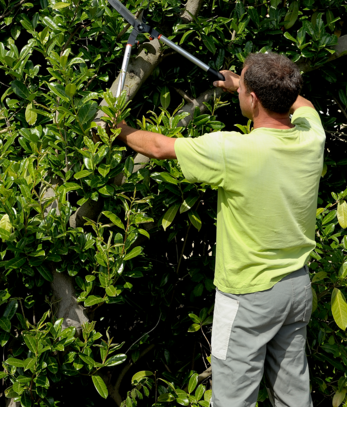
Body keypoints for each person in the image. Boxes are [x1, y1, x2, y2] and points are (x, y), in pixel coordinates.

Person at [113, 52, 325, 407]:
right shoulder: (312, 136)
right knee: (293, 398)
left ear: (253, 99)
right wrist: (244, 84)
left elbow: (159, 146)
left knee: (231, 400)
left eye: (245, 87)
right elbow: (301, 102)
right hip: (296, 288)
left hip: (248, 295)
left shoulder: (233, 150)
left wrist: (115, 128)